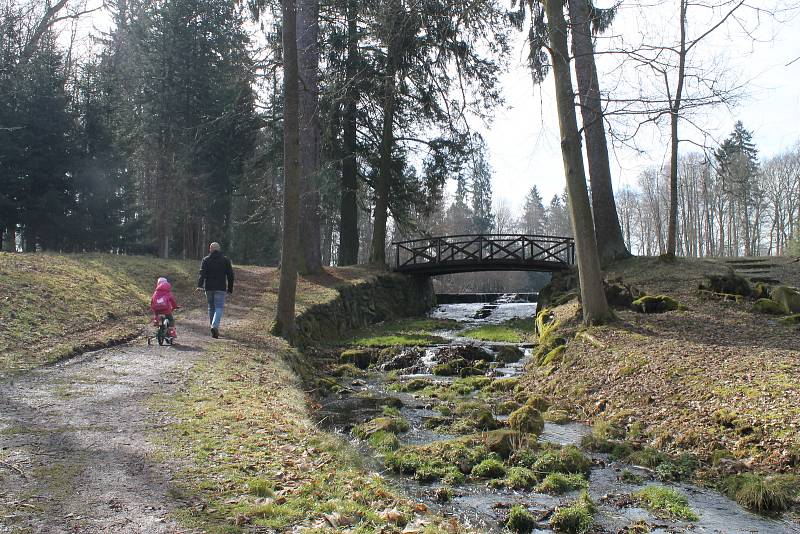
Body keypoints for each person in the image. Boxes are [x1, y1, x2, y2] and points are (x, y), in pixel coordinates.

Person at [197, 242, 234, 338]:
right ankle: (214, 326)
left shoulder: (206, 260)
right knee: (219, 307)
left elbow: (202, 274)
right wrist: (230, 289)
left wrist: (200, 285)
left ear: (210, 249)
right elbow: (230, 275)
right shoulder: (225, 260)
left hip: (209, 288)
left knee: (211, 307)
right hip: (220, 288)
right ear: (219, 249)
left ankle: (213, 328)